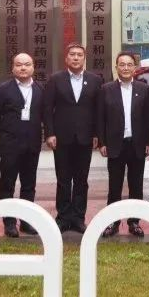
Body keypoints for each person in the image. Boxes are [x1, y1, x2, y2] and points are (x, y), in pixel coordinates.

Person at [44, 43, 104, 233]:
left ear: (84, 58)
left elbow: (99, 111)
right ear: (66, 58)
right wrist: (49, 133)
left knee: (81, 180)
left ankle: (78, 218)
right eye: (72, 54)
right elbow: (47, 109)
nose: (76, 57)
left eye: (79, 55)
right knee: (63, 180)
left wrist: (97, 135)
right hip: (61, 138)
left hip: (85, 138)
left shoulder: (95, 80)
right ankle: (63, 217)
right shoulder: (55, 79)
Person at [96, 51, 149, 237]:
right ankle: (112, 222)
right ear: (116, 67)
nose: (126, 68)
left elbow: (148, 117)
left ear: (134, 68)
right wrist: (102, 142)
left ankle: (134, 222)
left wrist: (148, 141)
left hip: (137, 144)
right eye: (122, 64)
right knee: (115, 186)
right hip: (115, 144)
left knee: (136, 185)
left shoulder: (144, 89)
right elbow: (100, 118)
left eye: (129, 64)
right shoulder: (106, 89)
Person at [0, 53, 44, 239]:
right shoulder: (2, 90)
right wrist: (5, 134)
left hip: (32, 145)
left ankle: (27, 221)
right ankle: (9, 223)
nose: (23, 68)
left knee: (29, 185)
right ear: (12, 68)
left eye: (27, 64)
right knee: (8, 184)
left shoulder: (40, 89)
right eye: (19, 65)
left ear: (33, 67)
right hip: (10, 145)